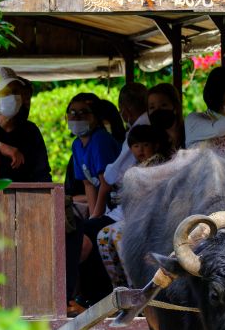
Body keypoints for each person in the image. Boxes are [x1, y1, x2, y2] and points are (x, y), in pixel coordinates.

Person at [94, 123, 172, 289]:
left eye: (145, 145)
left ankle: (137, 288)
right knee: (103, 234)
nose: (141, 150)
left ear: (155, 145)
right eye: (136, 146)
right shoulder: (134, 168)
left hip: (156, 220)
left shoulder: (162, 164)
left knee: (118, 235)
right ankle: (120, 287)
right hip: (136, 219)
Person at [64, 93, 123, 307]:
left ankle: (95, 298)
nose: (77, 117)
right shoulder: (77, 146)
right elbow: (88, 184)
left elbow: (105, 183)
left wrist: (97, 215)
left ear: (95, 117)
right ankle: (83, 296)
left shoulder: (100, 140)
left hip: (120, 208)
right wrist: (94, 214)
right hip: (104, 208)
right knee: (82, 230)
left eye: (83, 112)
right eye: (73, 112)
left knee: (87, 233)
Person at [0, 71, 51, 183]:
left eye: (15, 92)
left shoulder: (30, 131)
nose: (12, 97)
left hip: (22, 199)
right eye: (4, 92)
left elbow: (42, 174)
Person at [89, 82, 150, 218]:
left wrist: (95, 215)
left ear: (125, 110)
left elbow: (113, 175)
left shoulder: (138, 131)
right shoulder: (146, 124)